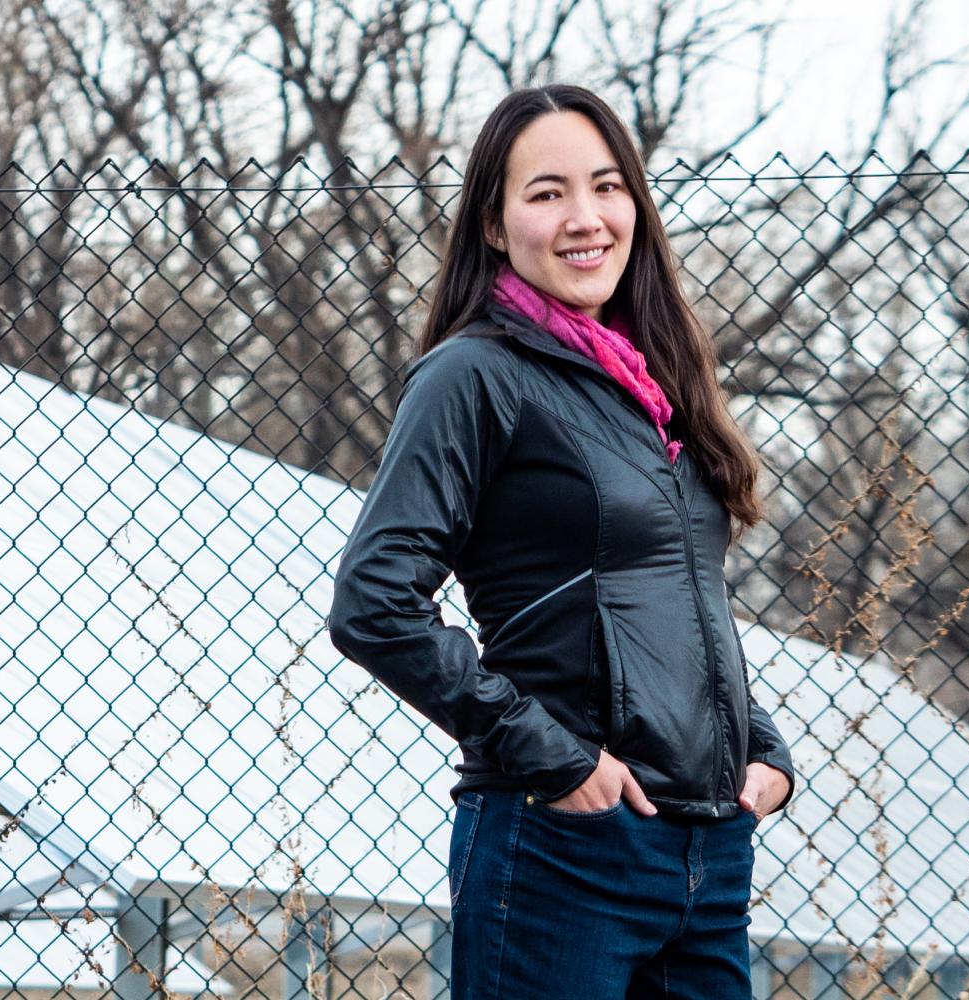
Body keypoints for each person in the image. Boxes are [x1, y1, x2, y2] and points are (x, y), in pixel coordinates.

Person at [326, 84, 797, 999]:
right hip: (565, 844)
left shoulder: (657, 387)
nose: (585, 218)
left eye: (607, 187)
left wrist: (760, 749)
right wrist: (554, 754)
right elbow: (374, 604)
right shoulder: (471, 377)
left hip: (706, 851)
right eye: (546, 194)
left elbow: (676, 598)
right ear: (496, 226)